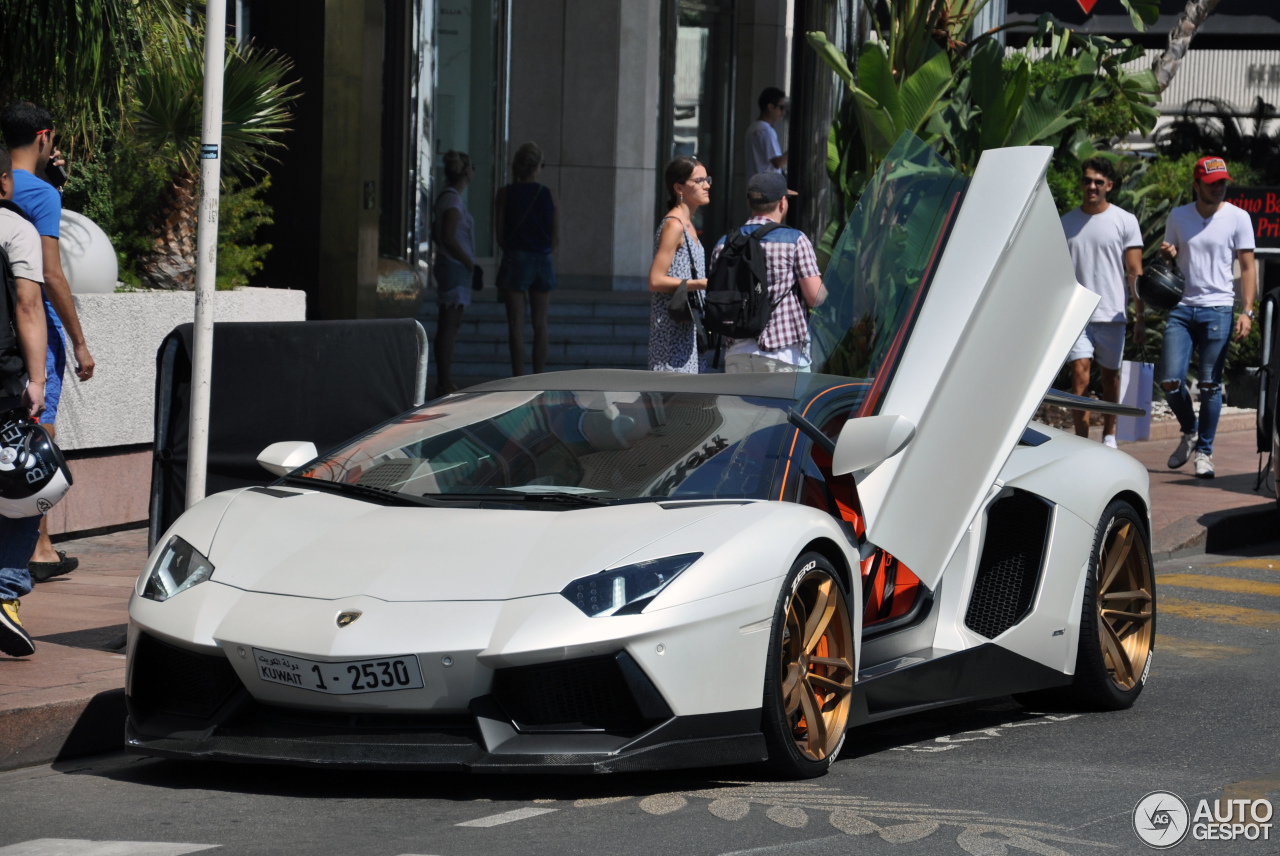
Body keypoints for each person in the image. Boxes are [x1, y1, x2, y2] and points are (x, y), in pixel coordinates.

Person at [0, 102, 93, 580]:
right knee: (36, 441)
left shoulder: (17, 188)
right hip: (31, 338)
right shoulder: (42, 196)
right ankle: (28, 555)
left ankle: (42, 545)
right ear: (44, 137)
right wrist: (79, 341)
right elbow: (50, 277)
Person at [1159, 156, 1257, 479]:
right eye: (1213, 183)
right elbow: (1171, 264)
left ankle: (1204, 451)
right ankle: (1190, 430)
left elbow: (1246, 267)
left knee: (1210, 384)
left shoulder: (1238, 217)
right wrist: (1169, 256)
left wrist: (1247, 311)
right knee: (1171, 381)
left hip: (1218, 307)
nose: (1220, 188)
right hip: (1182, 307)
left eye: (1223, 182)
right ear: (1197, 184)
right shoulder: (1178, 216)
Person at [0, 144, 49, 657]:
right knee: (26, 482)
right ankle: (5, 591)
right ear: (3, 183)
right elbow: (28, 303)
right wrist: (36, 381)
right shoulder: (14, 228)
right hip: (2, 383)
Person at [1060, 157, 1145, 448]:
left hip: (1112, 314)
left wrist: (1140, 317)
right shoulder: (1066, 223)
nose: (1092, 186)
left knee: (1110, 379)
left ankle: (1110, 435)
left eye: (1098, 182)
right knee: (1079, 375)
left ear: (1109, 185)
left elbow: (1135, 272)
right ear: (1082, 183)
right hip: (1077, 315)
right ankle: (1081, 441)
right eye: (1087, 180)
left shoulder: (1125, 221)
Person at [712, 173, 825, 373]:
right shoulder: (795, 240)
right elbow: (815, 297)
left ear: (750, 203)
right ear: (782, 203)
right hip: (783, 355)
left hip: (737, 355)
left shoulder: (724, 244)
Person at [495, 141, 558, 377]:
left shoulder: (505, 194)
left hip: (515, 259)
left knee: (516, 324)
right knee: (540, 324)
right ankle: (539, 376)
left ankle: (518, 377)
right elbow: (555, 236)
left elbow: (499, 236)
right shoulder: (549, 195)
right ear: (536, 167)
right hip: (542, 259)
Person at [648, 156, 710, 373]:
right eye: (699, 180)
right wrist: (701, 284)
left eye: (707, 179)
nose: (707, 185)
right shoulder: (673, 225)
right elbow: (655, 280)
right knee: (673, 404)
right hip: (672, 335)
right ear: (679, 188)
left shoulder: (688, 225)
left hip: (689, 330)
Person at [427, 150, 476, 397]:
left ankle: (444, 380)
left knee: (449, 324)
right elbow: (447, 237)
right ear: (466, 172)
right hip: (454, 268)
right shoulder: (454, 202)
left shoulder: (446, 198)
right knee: (449, 325)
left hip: (450, 267)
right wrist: (468, 261)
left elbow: (439, 234)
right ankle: (444, 381)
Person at [745, 88, 788, 177]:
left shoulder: (752, 128)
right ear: (770, 107)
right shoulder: (766, 131)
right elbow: (778, 163)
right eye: (781, 108)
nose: (783, 112)